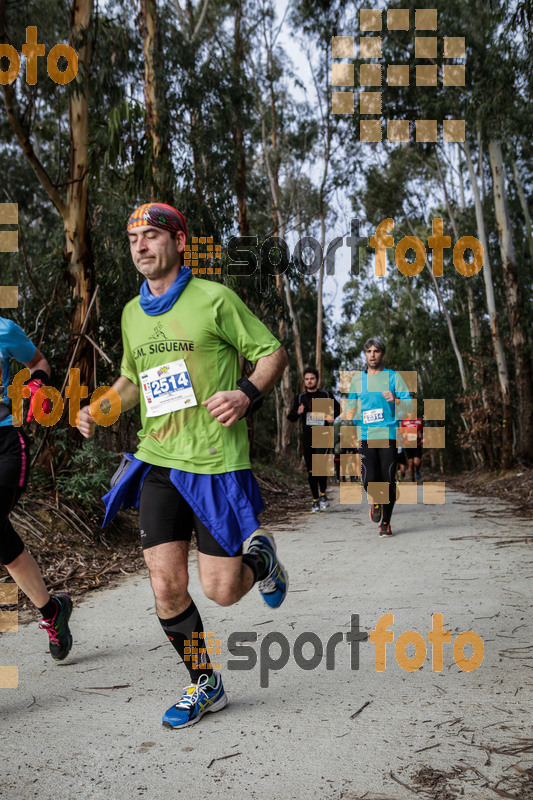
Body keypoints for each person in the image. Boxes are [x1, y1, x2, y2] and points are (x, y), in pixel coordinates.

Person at [77, 202, 289, 730]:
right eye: (133, 239)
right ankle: (205, 682)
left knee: (221, 588)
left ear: (179, 242)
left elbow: (271, 354)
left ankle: (260, 562)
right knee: (165, 584)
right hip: (158, 460)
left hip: (215, 461)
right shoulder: (130, 313)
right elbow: (133, 381)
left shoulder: (215, 299)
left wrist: (245, 394)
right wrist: (101, 407)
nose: (141, 246)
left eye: (152, 235)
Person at [0, 317, 73, 660]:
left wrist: (36, 386)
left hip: (4, 444)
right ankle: (51, 611)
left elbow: (38, 362)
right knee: (5, 547)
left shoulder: (3, 329)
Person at [344, 337, 411, 538]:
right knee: (369, 479)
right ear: (365, 354)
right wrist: (353, 416)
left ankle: (386, 523)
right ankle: (376, 500)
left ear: (382, 354)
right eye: (369, 351)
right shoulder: (357, 380)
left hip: (388, 435)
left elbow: (409, 407)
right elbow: (351, 408)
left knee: (388, 479)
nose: (372, 355)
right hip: (365, 436)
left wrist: (396, 399)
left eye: (376, 351)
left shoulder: (393, 377)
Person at [287, 368, 340, 513]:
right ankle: (315, 500)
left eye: (312, 378)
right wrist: (297, 412)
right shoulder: (300, 397)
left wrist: (331, 416)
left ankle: (323, 495)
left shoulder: (325, 394)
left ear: (317, 379)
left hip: (323, 434)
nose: (309, 381)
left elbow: (338, 408)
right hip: (307, 437)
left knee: (320, 467)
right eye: (307, 379)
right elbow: (290, 417)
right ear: (304, 381)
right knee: (311, 470)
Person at [399, 401, 423, 482]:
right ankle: (412, 479)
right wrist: (404, 435)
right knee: (411, 463)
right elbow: (401, 433)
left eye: (412, 412)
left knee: (416, 462)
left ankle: (418, 471)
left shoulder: (419, 421)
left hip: (417, 443)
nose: (411, 414)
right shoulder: (404, 422)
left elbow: (423, 431)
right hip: (408, 444)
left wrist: (424, 438)